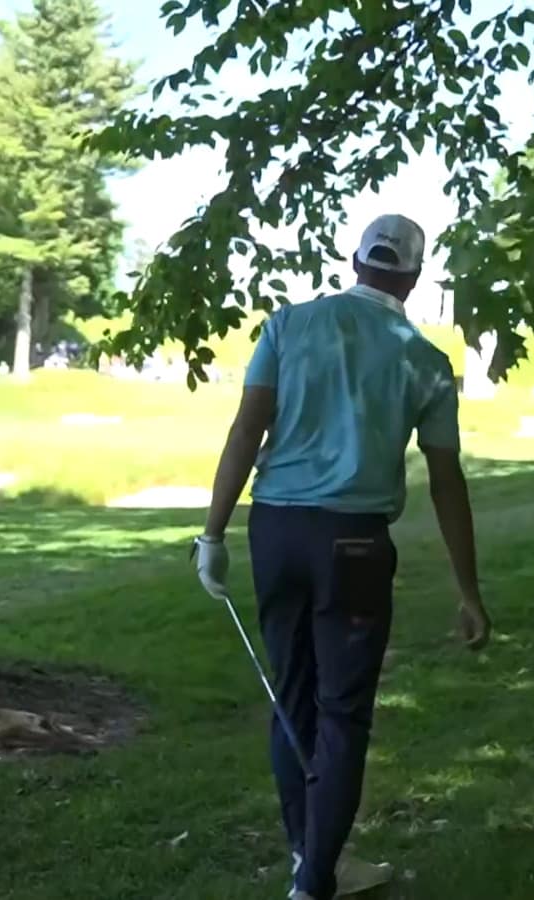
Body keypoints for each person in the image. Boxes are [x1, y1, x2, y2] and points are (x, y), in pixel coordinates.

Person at [192, 214, 492, 900]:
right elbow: (446, 480)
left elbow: (247, 430)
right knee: (343, 713)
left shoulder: (287, 326)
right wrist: (468, 590)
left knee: (291, 701)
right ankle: (315, 878)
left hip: (275, 532)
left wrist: (212, 535)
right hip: (353, 543)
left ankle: (311, 859)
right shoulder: (424, 360)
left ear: (353, 260)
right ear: (415, 278)